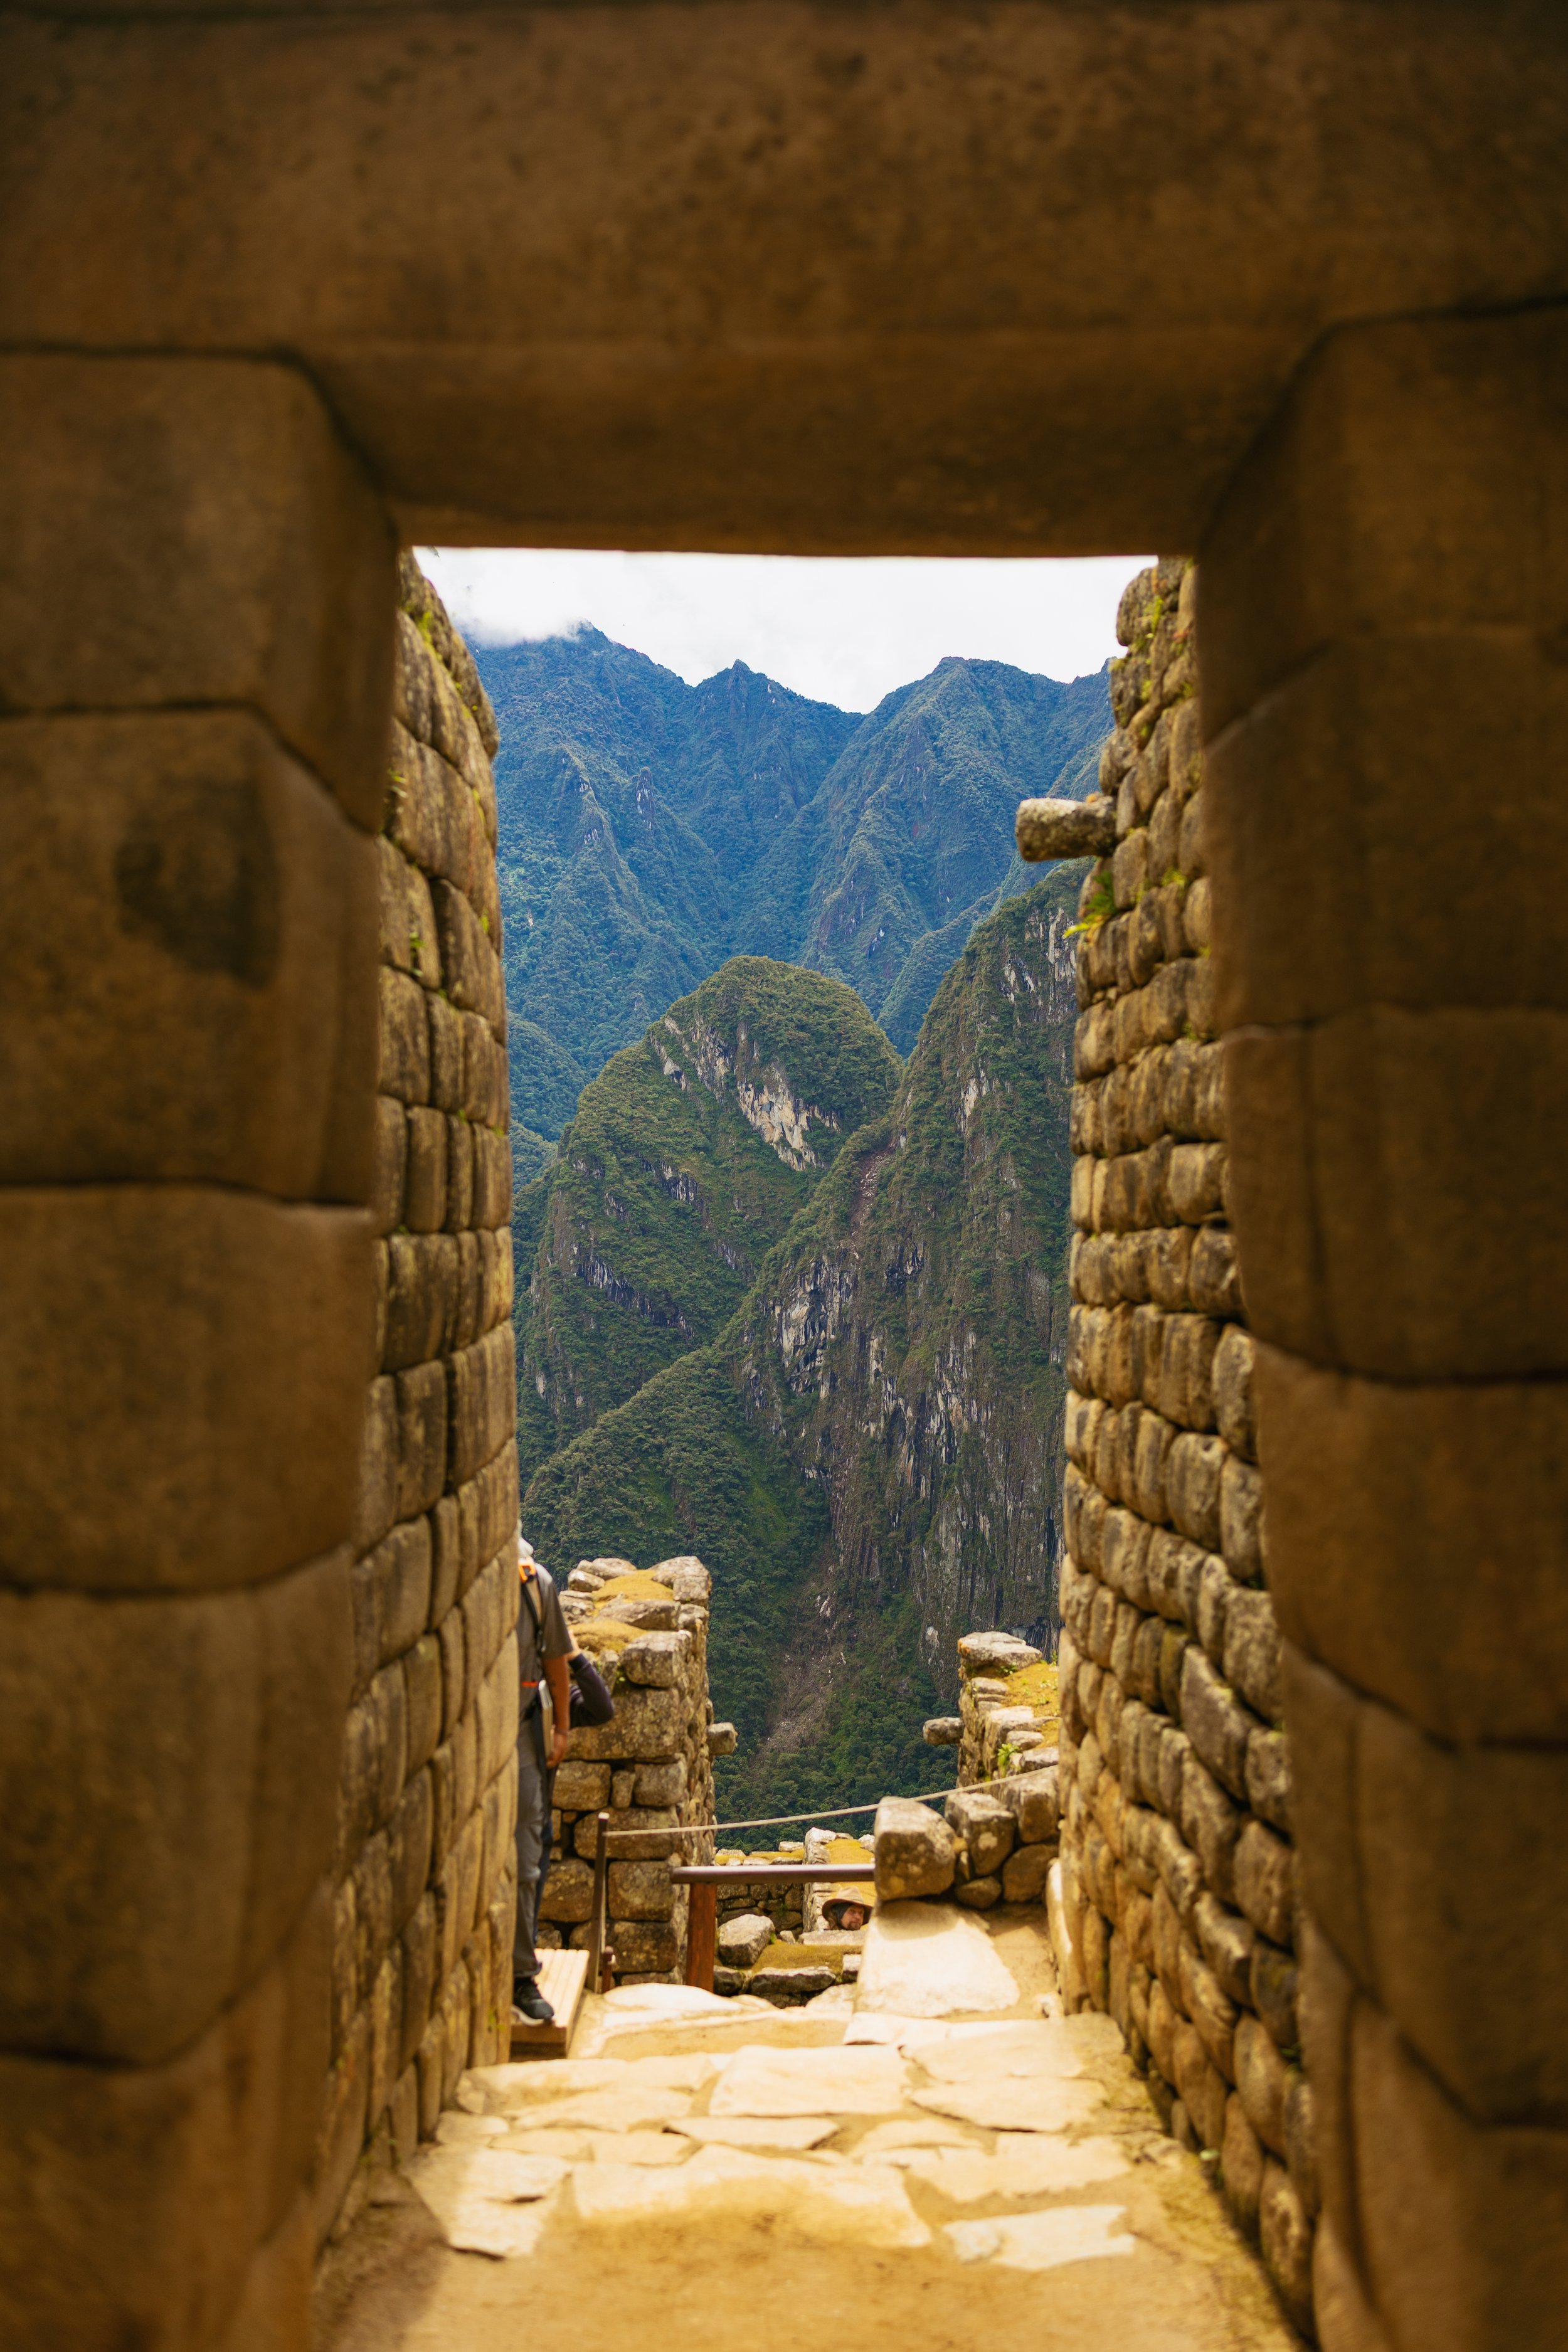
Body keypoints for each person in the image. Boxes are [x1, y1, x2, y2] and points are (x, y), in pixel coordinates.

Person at [513, 1545, 573, 2025]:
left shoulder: (536, 1585)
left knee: (525, 1850)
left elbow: (557, 1660)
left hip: (519, 1730)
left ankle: (519, 1975)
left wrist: (561, 1728)